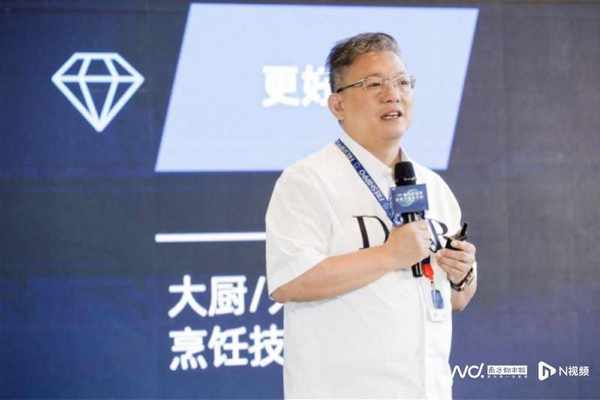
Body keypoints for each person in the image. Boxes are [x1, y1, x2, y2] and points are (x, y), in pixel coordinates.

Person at [265, 32, 477, 399]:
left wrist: (462, 275)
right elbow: (290, 280)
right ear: (337, 104)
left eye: (402, 82)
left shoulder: (434, 186)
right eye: (374, 84)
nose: (392, 94)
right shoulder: (307, 180)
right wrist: (389, 256)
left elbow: (456, 299)